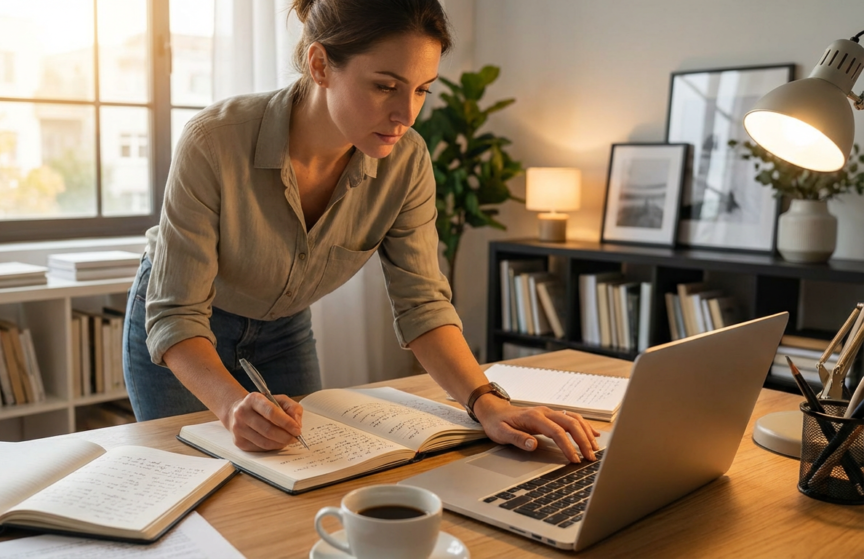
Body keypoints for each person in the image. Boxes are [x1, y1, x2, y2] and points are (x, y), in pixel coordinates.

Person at [123, 0, 600, 463]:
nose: (406, 114)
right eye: (385, 86)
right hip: (185, 333)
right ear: (320, 65)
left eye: (421, 90)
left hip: (284, 329)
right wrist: (231, 406)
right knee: (190, 485)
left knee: (298, 477)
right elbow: (177, 312)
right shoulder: (214, 140)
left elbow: (423, 305)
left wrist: (487, 403)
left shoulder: (407, 163)